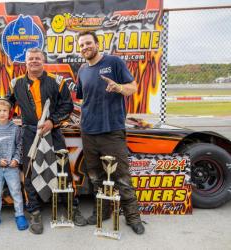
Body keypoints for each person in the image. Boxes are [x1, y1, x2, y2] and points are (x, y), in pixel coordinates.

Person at [9, 47, 87, 234]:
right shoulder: (15, 83)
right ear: (25, 61)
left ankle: (72, 208)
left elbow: (67, 105)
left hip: (53, 132)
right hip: (29, 134)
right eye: (31, 59)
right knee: (29, 173)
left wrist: (53, 121)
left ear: (43, 61)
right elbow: (7, 103)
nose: (34, 61)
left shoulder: (56, 82)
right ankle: (34, 211)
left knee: (63, 171)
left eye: (37, 58)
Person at [76, 31, 145, 234]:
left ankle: (133, 217)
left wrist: (118, 88)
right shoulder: (82, 70)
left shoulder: (114, 62)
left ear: (97, 44)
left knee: (122, 178)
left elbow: (133, 88)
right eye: (81, 45)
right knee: (96, 178)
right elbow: (83, 98)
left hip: (112, 131)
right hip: (88, 132)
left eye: (88, 43)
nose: (85, 47)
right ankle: (103, 212)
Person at [0, 98, 28, 232]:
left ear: (10, 112)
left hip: (12, 168)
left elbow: (20, 145)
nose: (2, 113)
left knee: (16, 191)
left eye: (5, 111)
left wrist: (16, 159)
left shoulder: (15, 128)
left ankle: (19, 215)